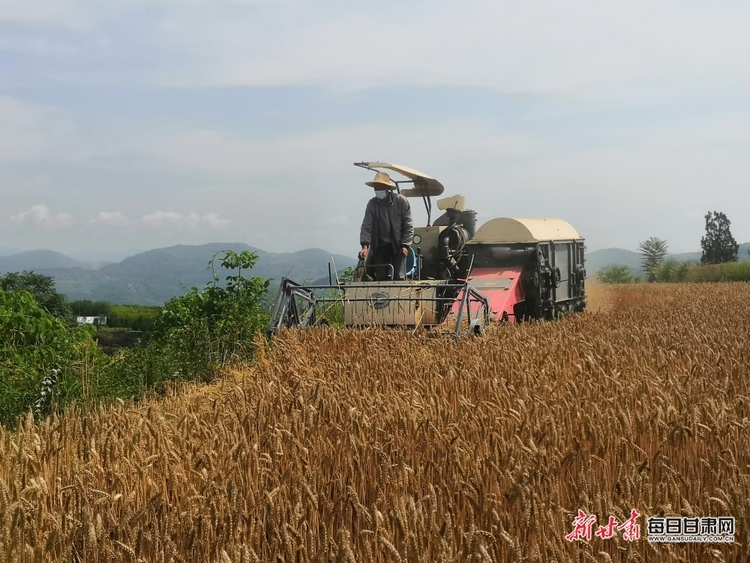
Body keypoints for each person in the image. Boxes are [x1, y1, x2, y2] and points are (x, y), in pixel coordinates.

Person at [358, 171, 414, 281]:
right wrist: (365, 246)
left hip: (398, 246)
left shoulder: (401, 202)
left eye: (380, 187)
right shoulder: (372, 204)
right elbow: (366, 226)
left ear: (387, 188)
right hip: (380, 246)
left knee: (399, 276)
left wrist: (405, 245)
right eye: (376, 188)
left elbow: (408, 226)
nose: (378, 190)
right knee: (380, 277)